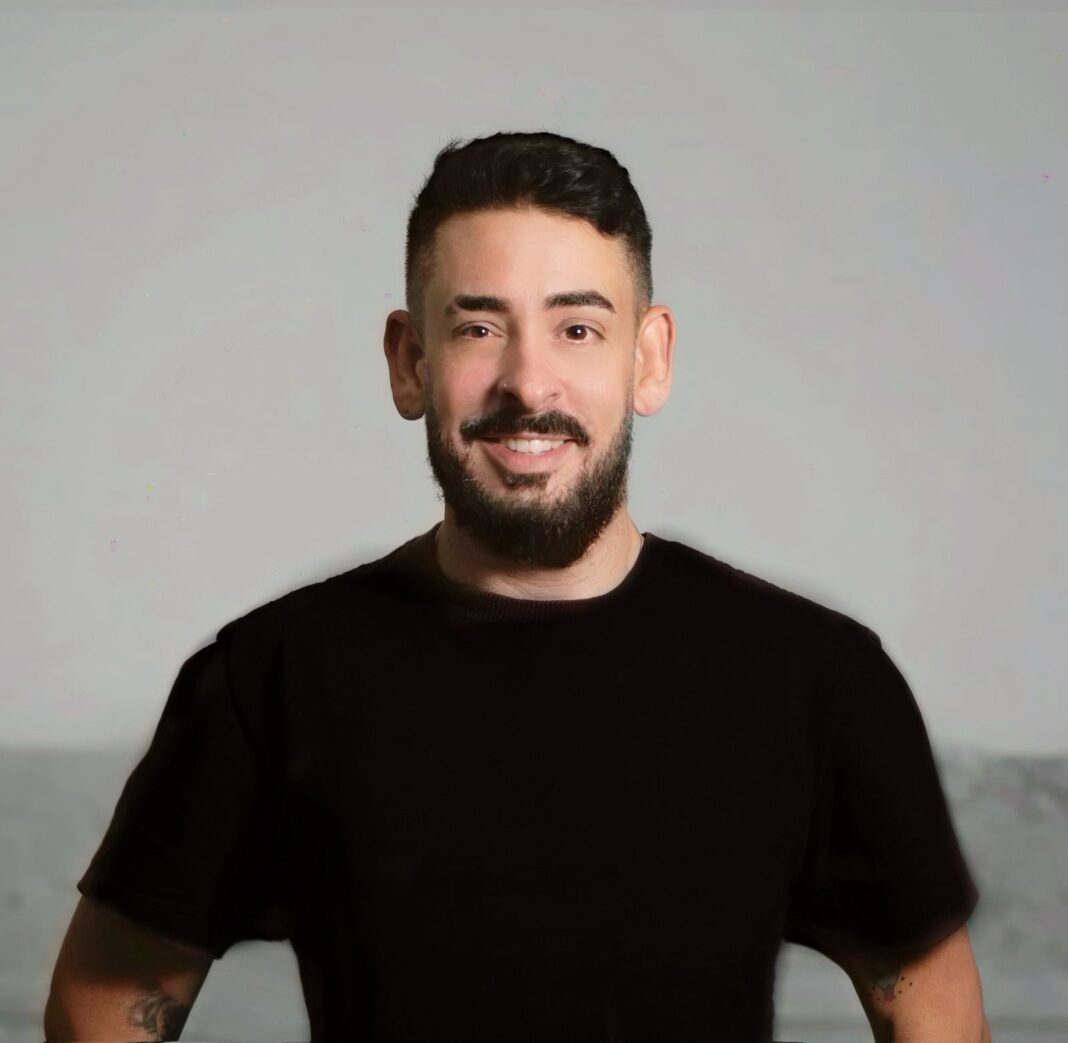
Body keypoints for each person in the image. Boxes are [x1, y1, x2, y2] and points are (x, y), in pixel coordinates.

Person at [45, 131, 989, 1043]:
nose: (529, 383)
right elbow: (103, 1006)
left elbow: (934, 1008)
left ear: (648, 358)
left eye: (578, 328)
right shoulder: (270, 678)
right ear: (409, 362)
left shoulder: (819, 680)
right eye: (479, 327)